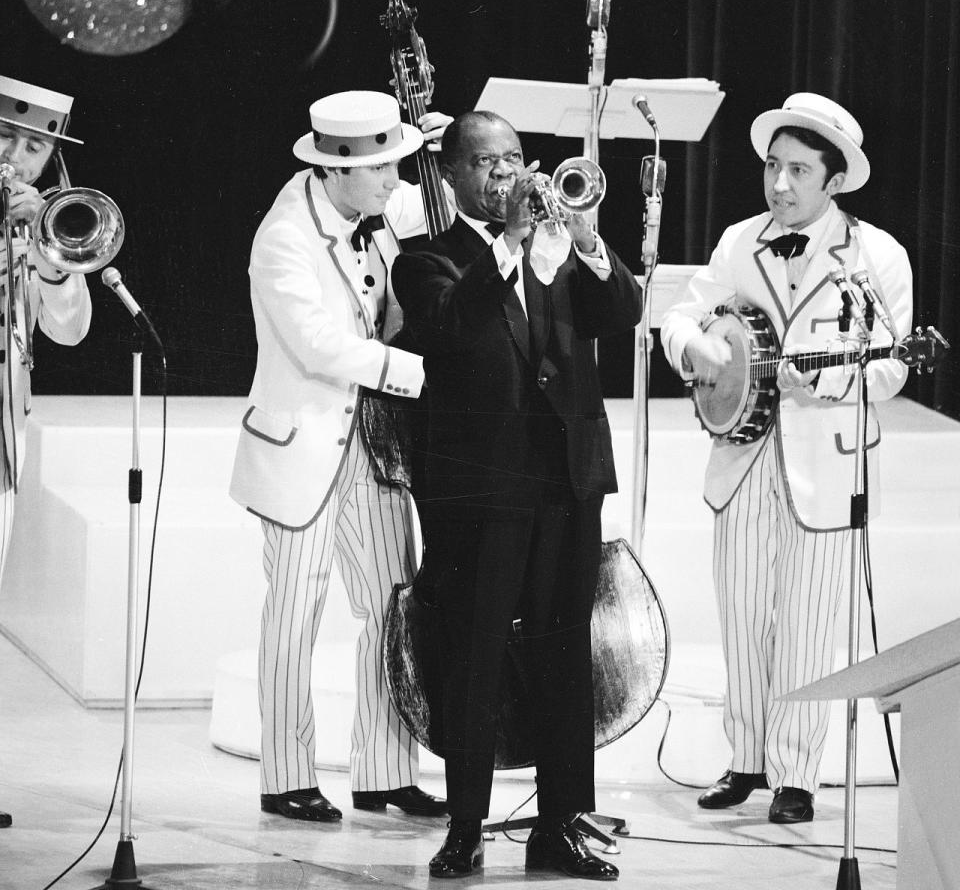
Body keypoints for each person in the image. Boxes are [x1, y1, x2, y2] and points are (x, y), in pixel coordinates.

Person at [392, 111, 642, 879]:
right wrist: (507, 243)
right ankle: (465, 825)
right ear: (452, 174)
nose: (505, 174)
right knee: (474, 655)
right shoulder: (427, 259)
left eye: (513, 159)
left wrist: (590, 242)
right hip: (482, 490)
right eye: (486, 163)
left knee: (567, 654)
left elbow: (622, 314)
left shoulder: (561, 247)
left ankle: (560, 823)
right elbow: (449, 326)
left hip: (567, 478)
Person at [661, 92, 913, 823]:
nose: (779, 185)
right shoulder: (741, 241)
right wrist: (698, 347)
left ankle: (797, 773)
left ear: (834, 181)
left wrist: (828, 383)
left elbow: (891, 366)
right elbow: (682, 312)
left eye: (799, 171)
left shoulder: (877, 255)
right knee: (741, 609)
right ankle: (745, 758)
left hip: (826, 464)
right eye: (773, 166)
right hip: (742, 452)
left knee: (808, 621)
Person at [229, 90, 451, 822]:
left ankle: (385, 771)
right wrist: (420, 372)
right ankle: (285, 776)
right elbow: (320, 348)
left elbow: (436, 211)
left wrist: (442, 158)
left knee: (393, 604)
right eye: (385, 169)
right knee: (295, 614)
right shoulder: (284, 237)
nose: (398, 181)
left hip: (374, 448)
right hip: (304, 447)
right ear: (337, 168)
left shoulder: (373, 204)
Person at [0, 76, 92, 830]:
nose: (19, 159)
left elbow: (68, 331)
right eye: (8, 138)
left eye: (34, 147)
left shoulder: (35, 226)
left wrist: (46, 254)